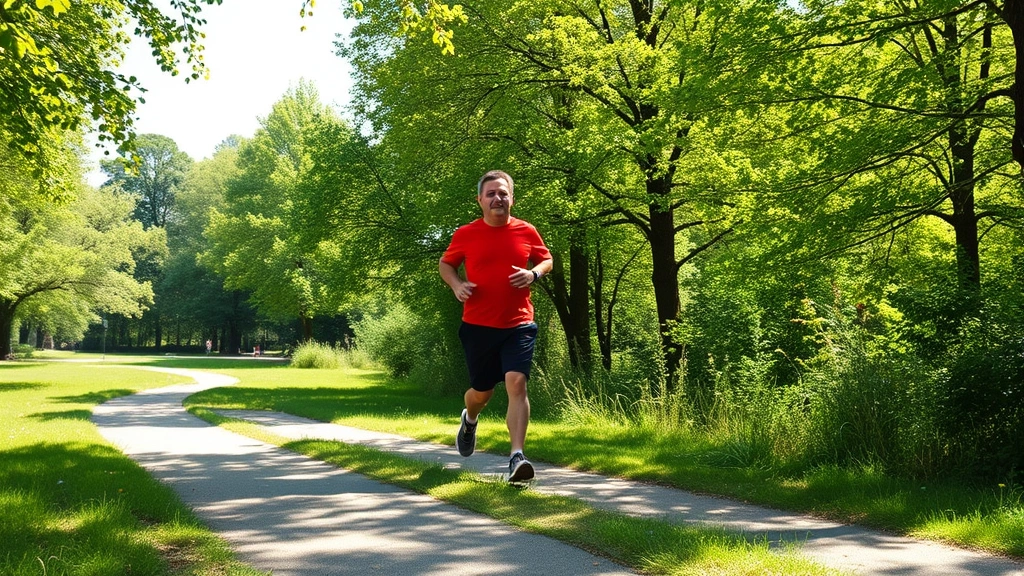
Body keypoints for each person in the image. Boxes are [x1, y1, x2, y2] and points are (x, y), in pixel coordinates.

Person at [438, 170, 554, 482]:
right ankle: (470, 418)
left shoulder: (526, 230)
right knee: (481, 393)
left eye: (503, 193)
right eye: (491, 193)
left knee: (517, 383)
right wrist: (457, 285)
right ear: (480, 200)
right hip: (478, 326)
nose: (497, 198)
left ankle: (517, 456)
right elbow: (446, 264)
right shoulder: (467, 233)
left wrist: (533, 274)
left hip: (519, 323)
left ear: (511, 198)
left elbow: (546, 259)